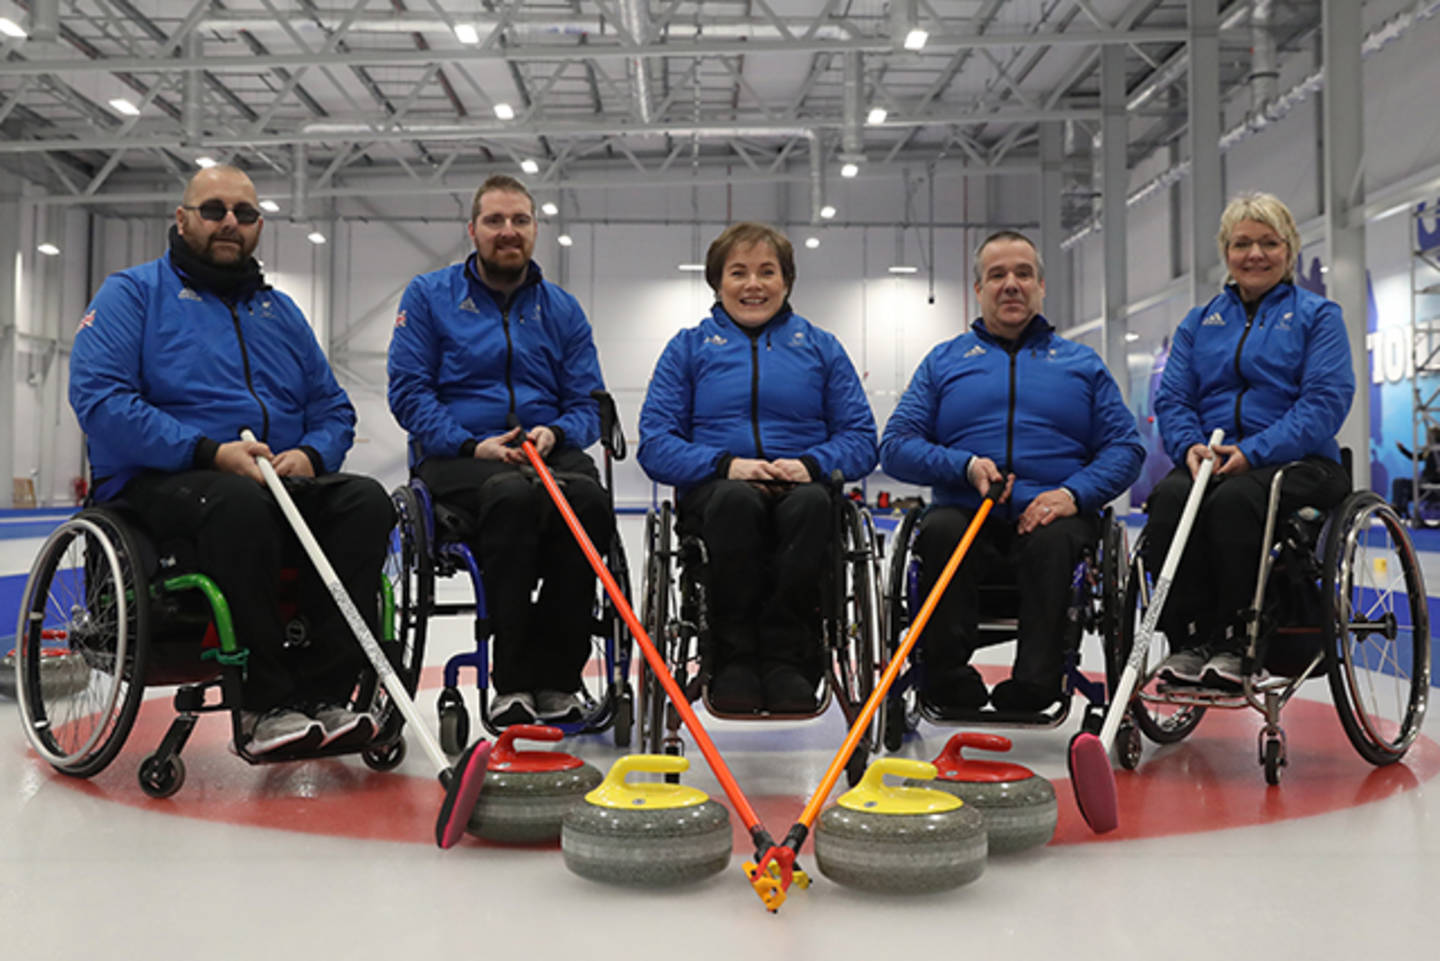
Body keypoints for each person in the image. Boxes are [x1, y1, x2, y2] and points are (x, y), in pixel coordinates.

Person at [69, 165, 393, 756]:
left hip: (274, 477)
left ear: (258, 226)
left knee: (364, 501)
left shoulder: (281, 313)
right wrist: (207, 452)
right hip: (163, 479)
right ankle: (263, 704)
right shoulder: (133, 294)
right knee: (239, 505)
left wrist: (312, 453)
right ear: (182, 218)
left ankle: (326, 696)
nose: (228, 223)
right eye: (214, 209)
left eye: (243, 214)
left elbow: (332, 408)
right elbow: (101, 399)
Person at [880, 230, 1143, 714]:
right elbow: (895, 447)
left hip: (1052, 514)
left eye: (1023, 274)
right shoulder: (943, 363)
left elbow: (1125, 448)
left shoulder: (1082, 365)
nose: (1011, 284)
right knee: (938, 531)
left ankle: (1037, 684)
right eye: (997, 275)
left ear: (1041, 286)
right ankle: (948, 679)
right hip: (966, 511)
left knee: (1056, 539)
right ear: (978, 290)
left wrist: (1072, 494)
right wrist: (962, 465)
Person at [387, 174, 609, 727]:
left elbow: (588, 403)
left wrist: (556, 432)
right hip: (461, 454)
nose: (508, 232)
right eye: (495, 221)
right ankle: (512, 682)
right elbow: (410, 391)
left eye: (520, 221)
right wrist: (470, 443)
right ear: (473, 230)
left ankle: (558, 680)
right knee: (509, 497)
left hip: (546, 452)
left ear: (535, 230)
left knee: (585, 500)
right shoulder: (429, 296)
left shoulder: (563, 310)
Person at [637, 222, 877, 714]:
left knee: (812, 505)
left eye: (767, 272)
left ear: (786, 281)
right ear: (717, 283)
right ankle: (732, 659)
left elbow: (861, 439)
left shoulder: (821, 346)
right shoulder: (687, 348)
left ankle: (792, 660)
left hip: (802, 488)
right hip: (719, 491)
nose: (753, 285)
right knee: (734, 500)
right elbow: (656, 444)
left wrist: (810, 465)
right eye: (738, 272)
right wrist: (725, 465)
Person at [1149, 191, 1354, 688]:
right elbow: (1173, 399)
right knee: (1171, 497)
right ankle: (1190, 638)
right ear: (1226, 252)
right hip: (1213, 457)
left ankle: (1241, 643)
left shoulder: (1318, 317)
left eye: (1269, 243)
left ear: (1289, 250)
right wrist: (1189, 446)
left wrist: (1254, 451)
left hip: (1300, 463)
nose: (1255, 254)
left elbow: (1324, 402)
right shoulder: (1199, 323)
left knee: (1238, 500)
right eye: (1242, 243)